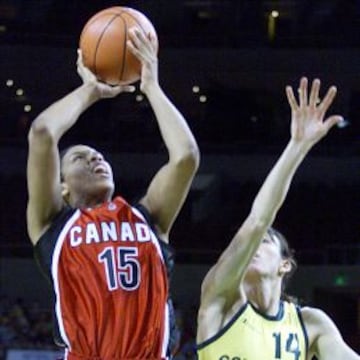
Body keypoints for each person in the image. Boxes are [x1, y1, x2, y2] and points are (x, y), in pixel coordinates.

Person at [26, 27, 200, 360]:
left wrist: (151, 87)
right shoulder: (52, 225)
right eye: (81, 157)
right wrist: (89, 91)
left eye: (100, 156)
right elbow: (43, 132)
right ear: (61, 186)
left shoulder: (147, 217)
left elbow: (186, 156)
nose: (96, 158)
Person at [196, 77, 360, 360]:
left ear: (285, 264)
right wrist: (297, 146)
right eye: (253, 242)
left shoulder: (310, 324)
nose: (254, 245)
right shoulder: (220, 299)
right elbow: (259, 219)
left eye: (266, 242)